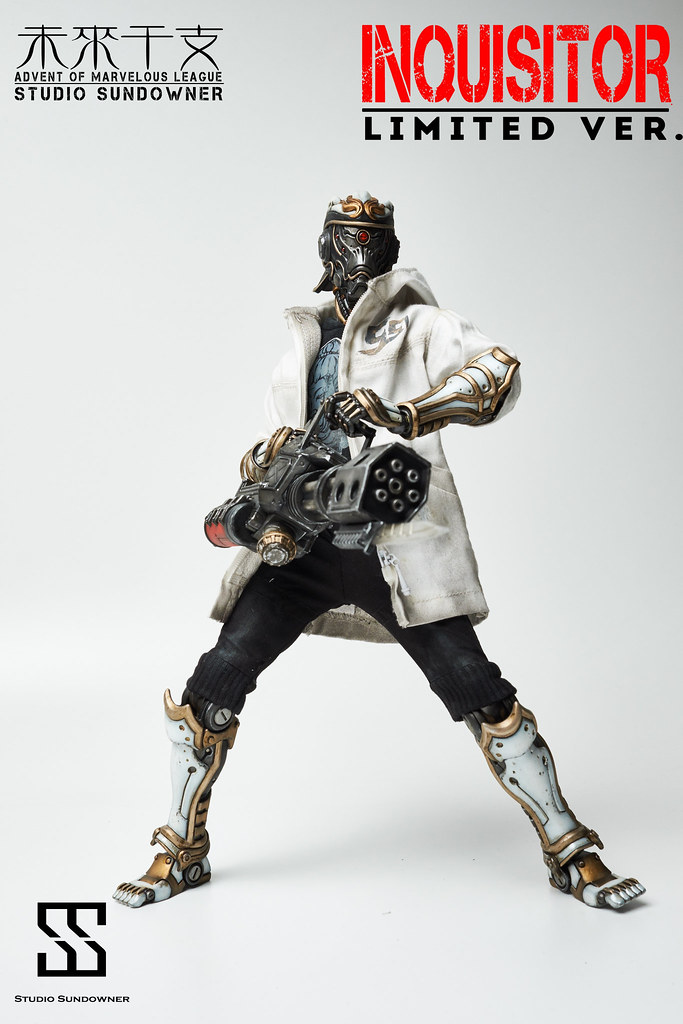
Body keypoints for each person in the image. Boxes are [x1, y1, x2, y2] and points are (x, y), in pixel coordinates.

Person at [113, 192, 644, 911]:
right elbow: (275, 436)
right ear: (325, 248)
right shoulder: (303, 341)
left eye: (372, 241)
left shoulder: (421, 325)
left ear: (390, 250)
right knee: (212, 684)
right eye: (346, 239)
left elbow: (498, 374)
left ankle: (571, 850)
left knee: (477, 691)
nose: (358, 254)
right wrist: (263, 466)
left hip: (396, 548)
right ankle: (181, 849)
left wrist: (406, 413)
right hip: (300, 547)